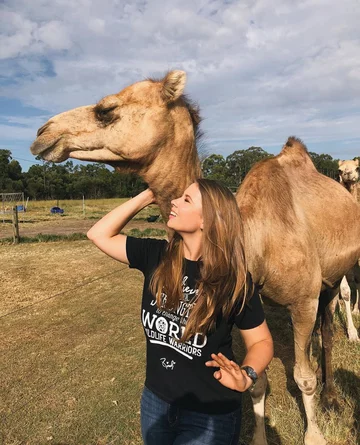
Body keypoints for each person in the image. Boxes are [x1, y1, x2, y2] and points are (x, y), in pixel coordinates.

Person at [87, 179, 273, 445]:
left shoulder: (235, 281)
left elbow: (262, 341)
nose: (173, 201)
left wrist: (247, 375)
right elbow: (98, 234)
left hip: (210, 413)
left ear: (207, 221)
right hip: (156, 401)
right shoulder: (156, 255)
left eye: (186, 200)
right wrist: (148, 195)